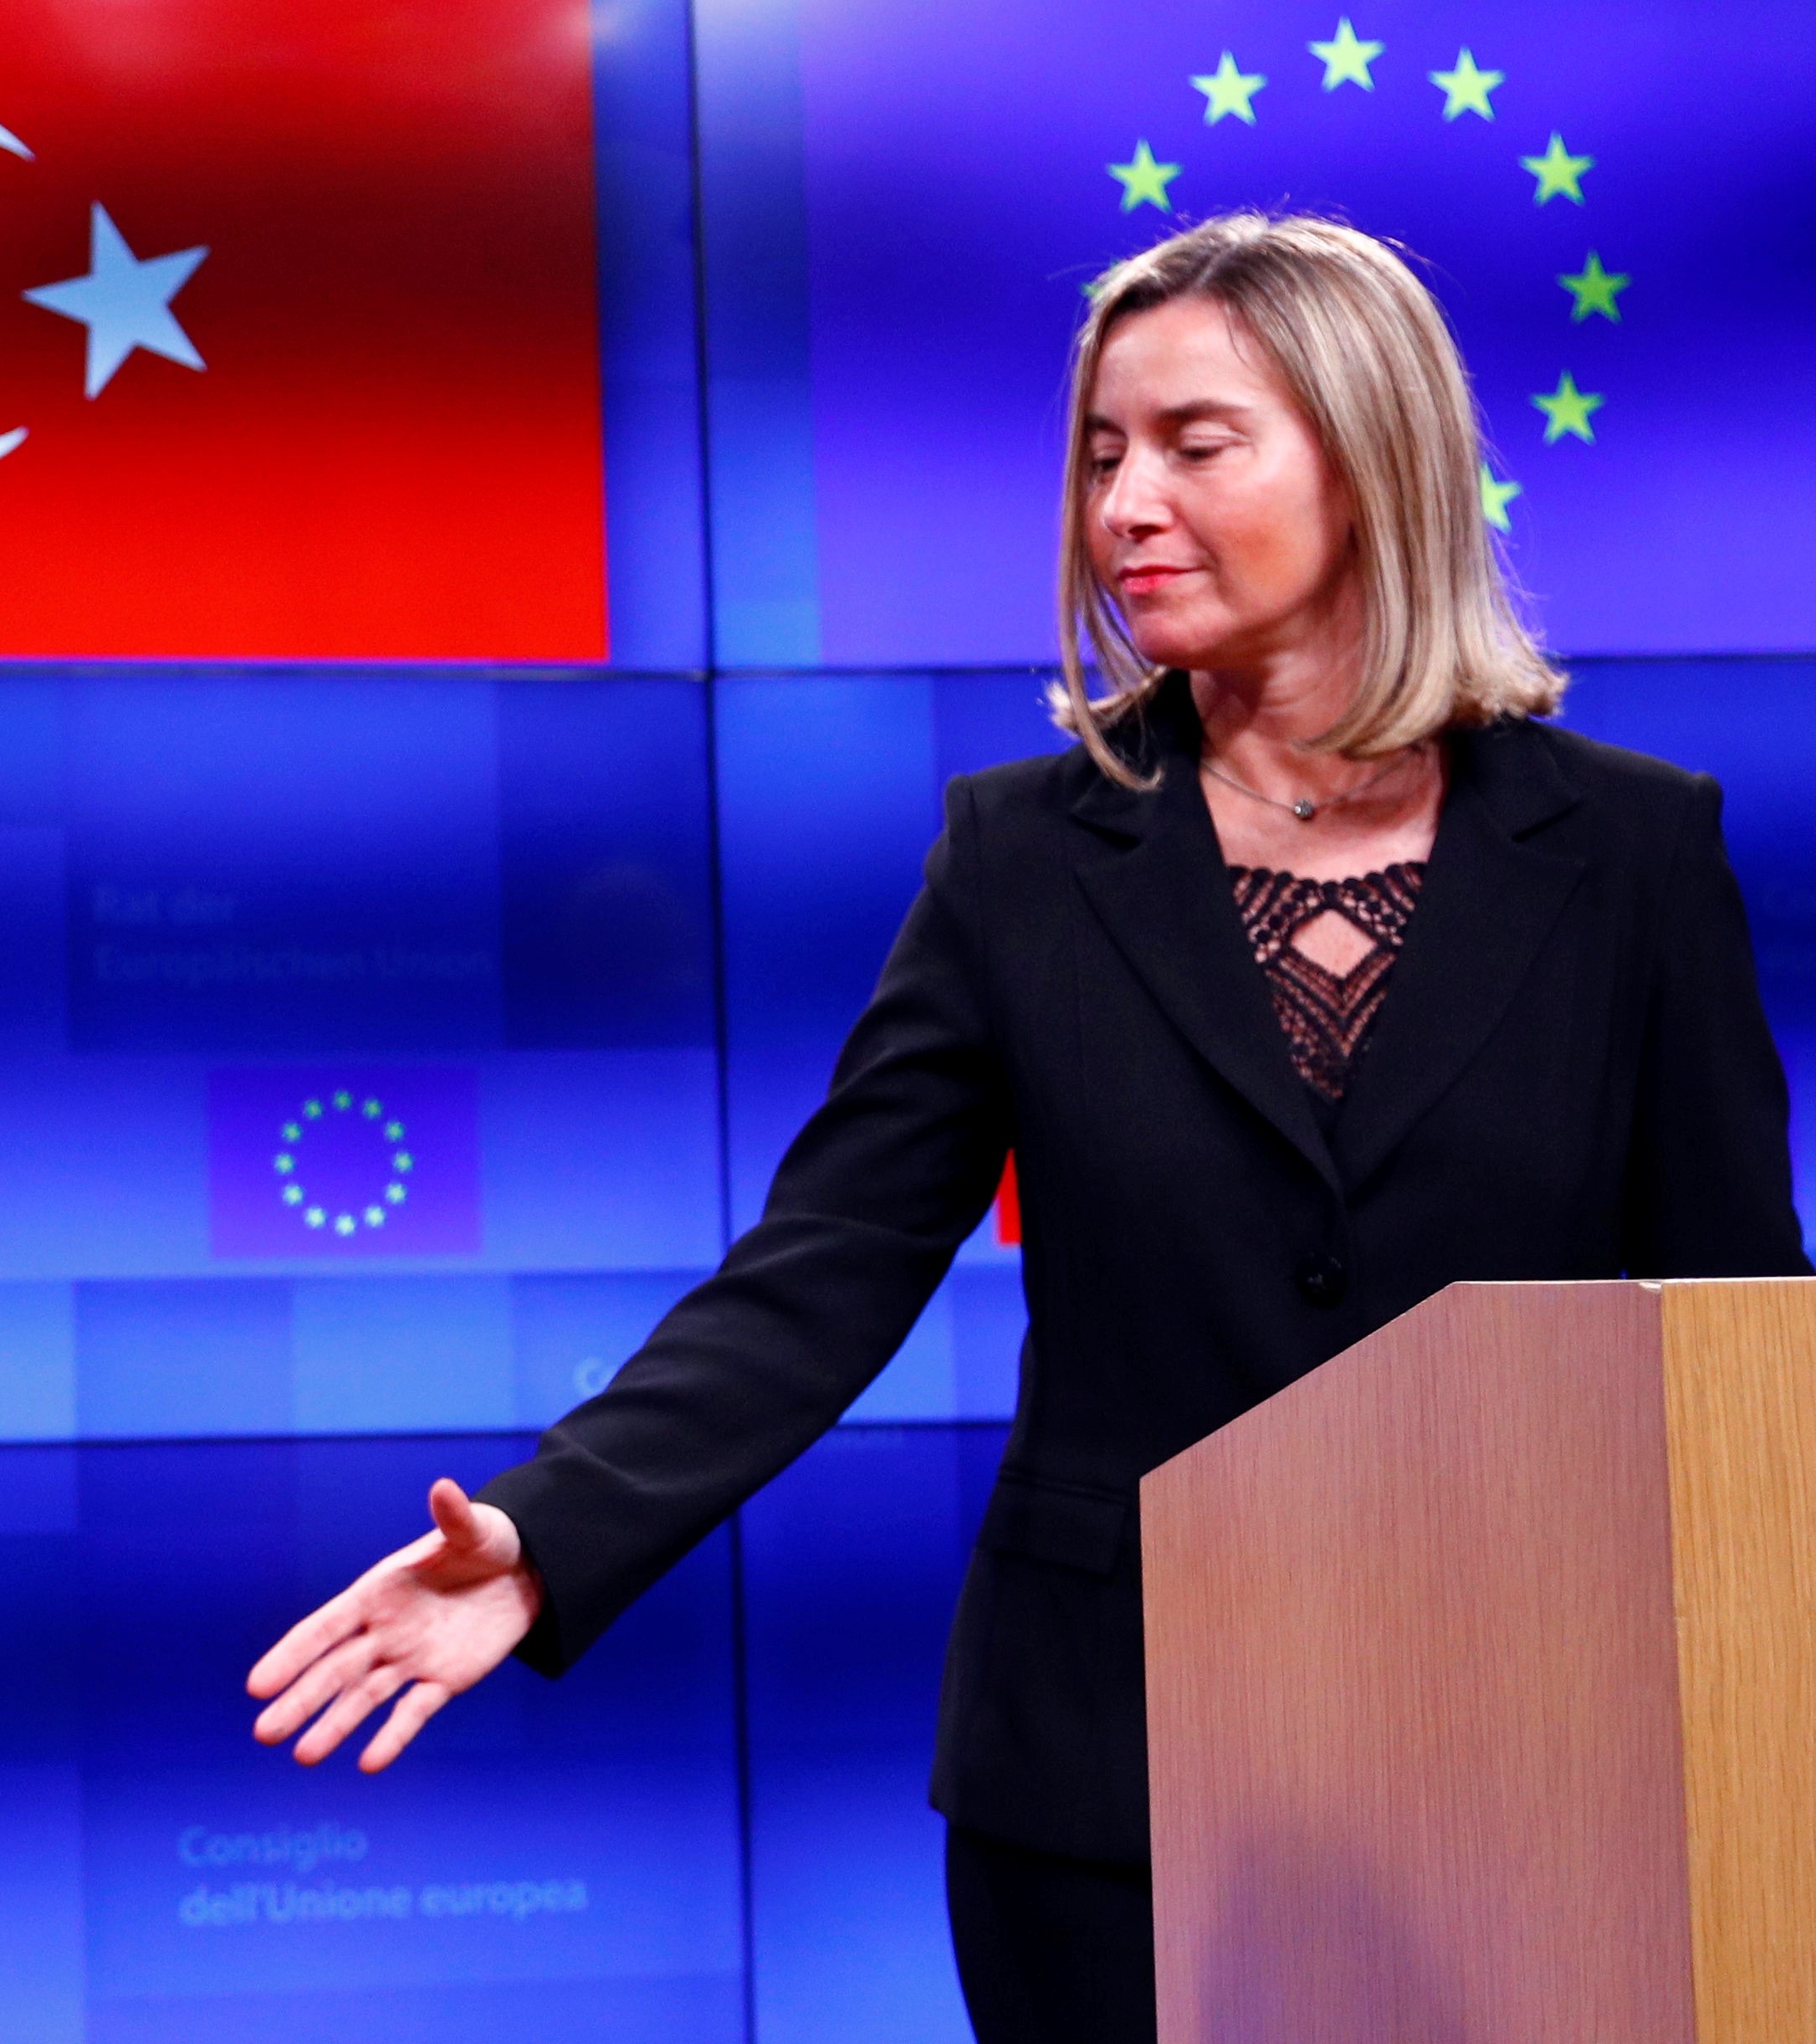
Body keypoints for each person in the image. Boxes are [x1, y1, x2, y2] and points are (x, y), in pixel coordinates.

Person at [245, 213, 1806, 2041]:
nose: (1124, 502)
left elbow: (1732, 1341)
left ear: (1370, 459)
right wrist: (547, 1528)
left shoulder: (1629, 851)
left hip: (1540, 1760)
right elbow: (822, 1267)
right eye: (1099, 452)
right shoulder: (1021, 855)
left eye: (1194, 444)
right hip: (1107, 1776)